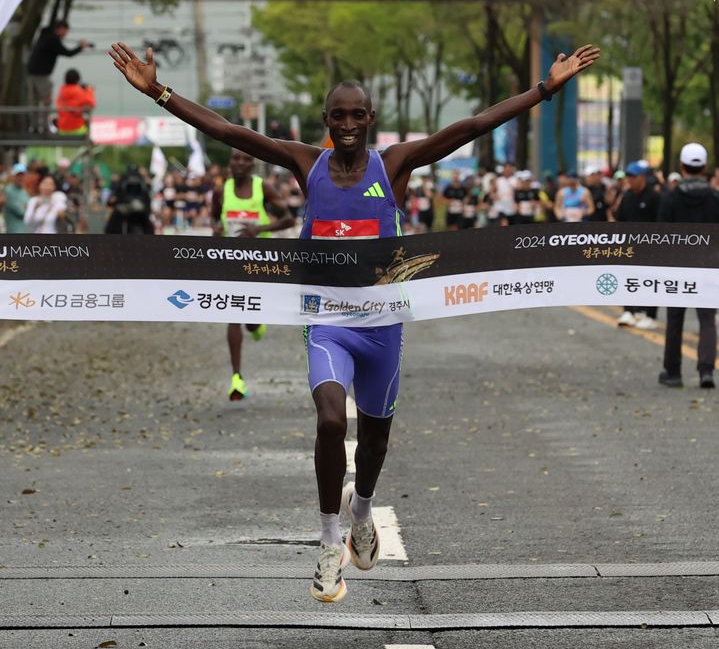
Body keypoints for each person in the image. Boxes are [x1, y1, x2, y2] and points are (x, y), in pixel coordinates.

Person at [109, 38, 601, 602]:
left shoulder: (395, 164)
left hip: (383, 329)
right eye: (337, 115)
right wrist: (159, 93)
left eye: (356, 115)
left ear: (372, 119)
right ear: (325, 121)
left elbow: (473, 125)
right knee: (329, 422)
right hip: (327, 322)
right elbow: (228, 132)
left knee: (375, 440)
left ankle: (362, 508)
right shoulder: (304, 162)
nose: (347, 123)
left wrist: (546, 88)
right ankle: (326, 542)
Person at [211, 149, 294, 401]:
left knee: (250, 319)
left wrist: (259, 228)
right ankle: (237, 379)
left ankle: (257, 323)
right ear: (230, 163)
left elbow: (289, 219)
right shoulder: (220, 191)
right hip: (231, 260)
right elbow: (216, 218)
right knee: (233, 315)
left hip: (259, 262)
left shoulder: (263, 189)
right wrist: (217, 231)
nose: (240, 163)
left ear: (252, 165)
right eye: (236, 158)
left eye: (246, 159)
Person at [657, 143, 719, 390]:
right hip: (709, 264)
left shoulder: (671, 198)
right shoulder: (715, 199)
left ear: (681, 167)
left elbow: (660, 234)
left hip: (678, 265)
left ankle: (673, 372)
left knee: (675, 318)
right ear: (704, 168)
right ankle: (706, 371)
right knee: (707, 318)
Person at [614, 161, 661, 331]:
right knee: (628, 278)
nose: (629, 179)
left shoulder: (654, 197)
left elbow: (660, 223)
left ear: (642, 177)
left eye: (632, 176)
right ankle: (629, 311)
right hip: (629, 245)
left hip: (650, 247)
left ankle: (650, 315)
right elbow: (619, 218)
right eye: (628, 176)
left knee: (649, 280)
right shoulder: (627, 196)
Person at [27, 19, 91, 130]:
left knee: (34, 102)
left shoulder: (45, 34)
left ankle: (35, 126)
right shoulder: (53, 40)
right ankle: (45, 127)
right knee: (46, 101)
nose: (66, 34)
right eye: (66, 31)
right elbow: (68, 53)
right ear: (61, 29)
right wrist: (80, 47)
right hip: (42, 75)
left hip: (32, 72)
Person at [105, 166, 153, 234]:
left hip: (140, 220)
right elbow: (110, 201)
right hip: (121, 221)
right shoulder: (121, 185)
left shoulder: (143, 187)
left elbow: (148, 208)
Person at [56, 68, 96, 135]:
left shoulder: (61, 92)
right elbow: (91, 104)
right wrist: (89, 90)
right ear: (78, 79)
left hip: (62, 130)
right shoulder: (79, 91)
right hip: (77, 130)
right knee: (87, 123)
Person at [3, 163, 30, 233]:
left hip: (25, 230)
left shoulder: (24, 191)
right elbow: (21, 212)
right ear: (13, 176)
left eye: (22, 175)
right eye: (18, 175)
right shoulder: (8, 191)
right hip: (14, 231)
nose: (20, 178)